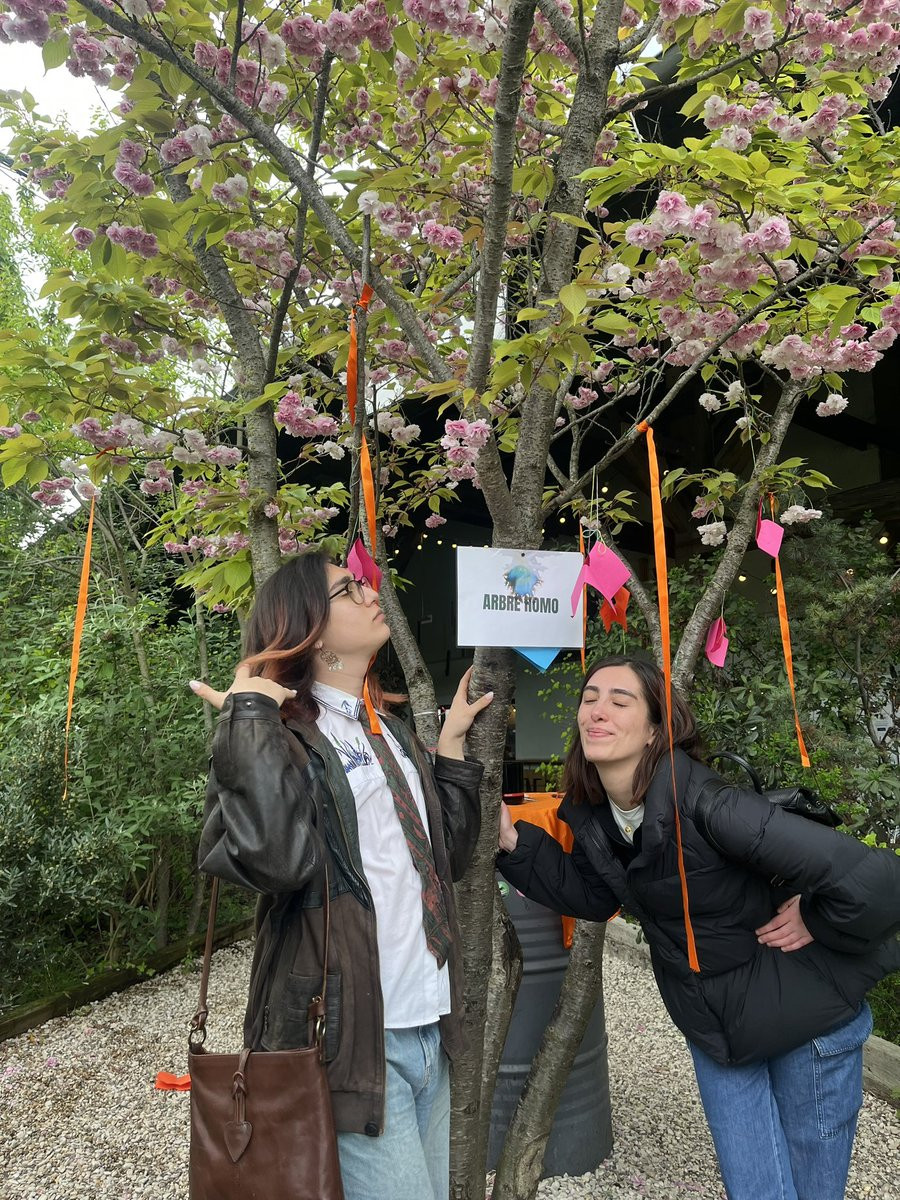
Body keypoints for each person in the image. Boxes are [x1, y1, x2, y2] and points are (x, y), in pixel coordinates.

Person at [496, 653, 900, 1200]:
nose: (597, 711)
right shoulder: (599, 814)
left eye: (620, 701)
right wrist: (514, 843)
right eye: (589, 699)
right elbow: (594, 895)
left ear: (655, 729)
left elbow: (877, 880)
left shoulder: (711, 805)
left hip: (810, 1019)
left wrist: (816, 918)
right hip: (719, 1029)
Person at [191, 549, 491, 1200]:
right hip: (347, 1035)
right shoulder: (277, 735)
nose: (370, 593)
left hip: (428, 1020)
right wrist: (248, 719)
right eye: (347, 590)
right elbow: (275, 862)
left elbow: (446, 860)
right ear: (308, 627)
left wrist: (450, 749)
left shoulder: (389, 731)